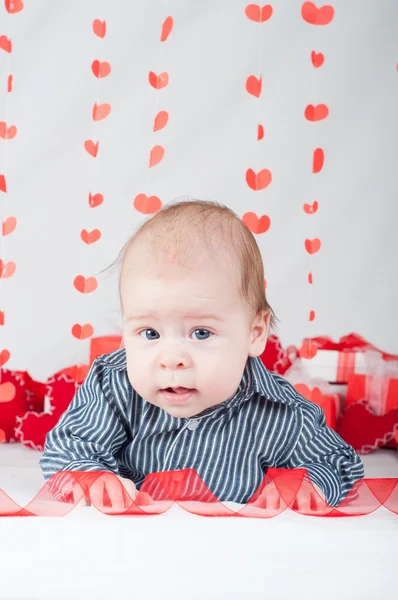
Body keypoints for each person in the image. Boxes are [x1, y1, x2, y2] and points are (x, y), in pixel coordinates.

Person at [40, 199, 364, 511]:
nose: (172, 359)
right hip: (134, 546)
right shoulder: (113, 386)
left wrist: (307, 483)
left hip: (234, 553)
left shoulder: (280, 412)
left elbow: (337, 462)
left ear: (255, 333)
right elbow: (71, 444)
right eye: (150, 333)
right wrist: (90, 477)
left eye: (201, 333)